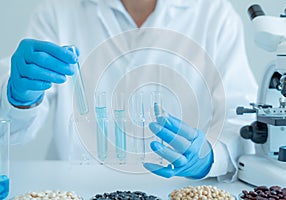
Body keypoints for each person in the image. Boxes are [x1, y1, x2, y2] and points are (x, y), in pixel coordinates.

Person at [0, 0, 257, 181]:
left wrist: (210, 157)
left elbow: (243, 120)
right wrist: (19, 97)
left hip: (179, 186)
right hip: (75, 186)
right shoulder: (57, 11)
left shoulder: (215, 15)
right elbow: (15, 130)